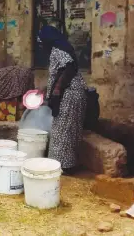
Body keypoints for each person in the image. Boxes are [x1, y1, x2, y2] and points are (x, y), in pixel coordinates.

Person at [37, 25, 87, 174]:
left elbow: (69, 67)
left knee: (62, 130)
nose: (41, 45)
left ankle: (63, 165)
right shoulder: (58, 50)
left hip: (69, 95)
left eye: (42, 42)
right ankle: (66, 164)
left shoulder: (58, 50)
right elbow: (58, 73)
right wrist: (48, 90)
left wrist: (57, 91)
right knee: (68, 130)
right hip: (73, 94)